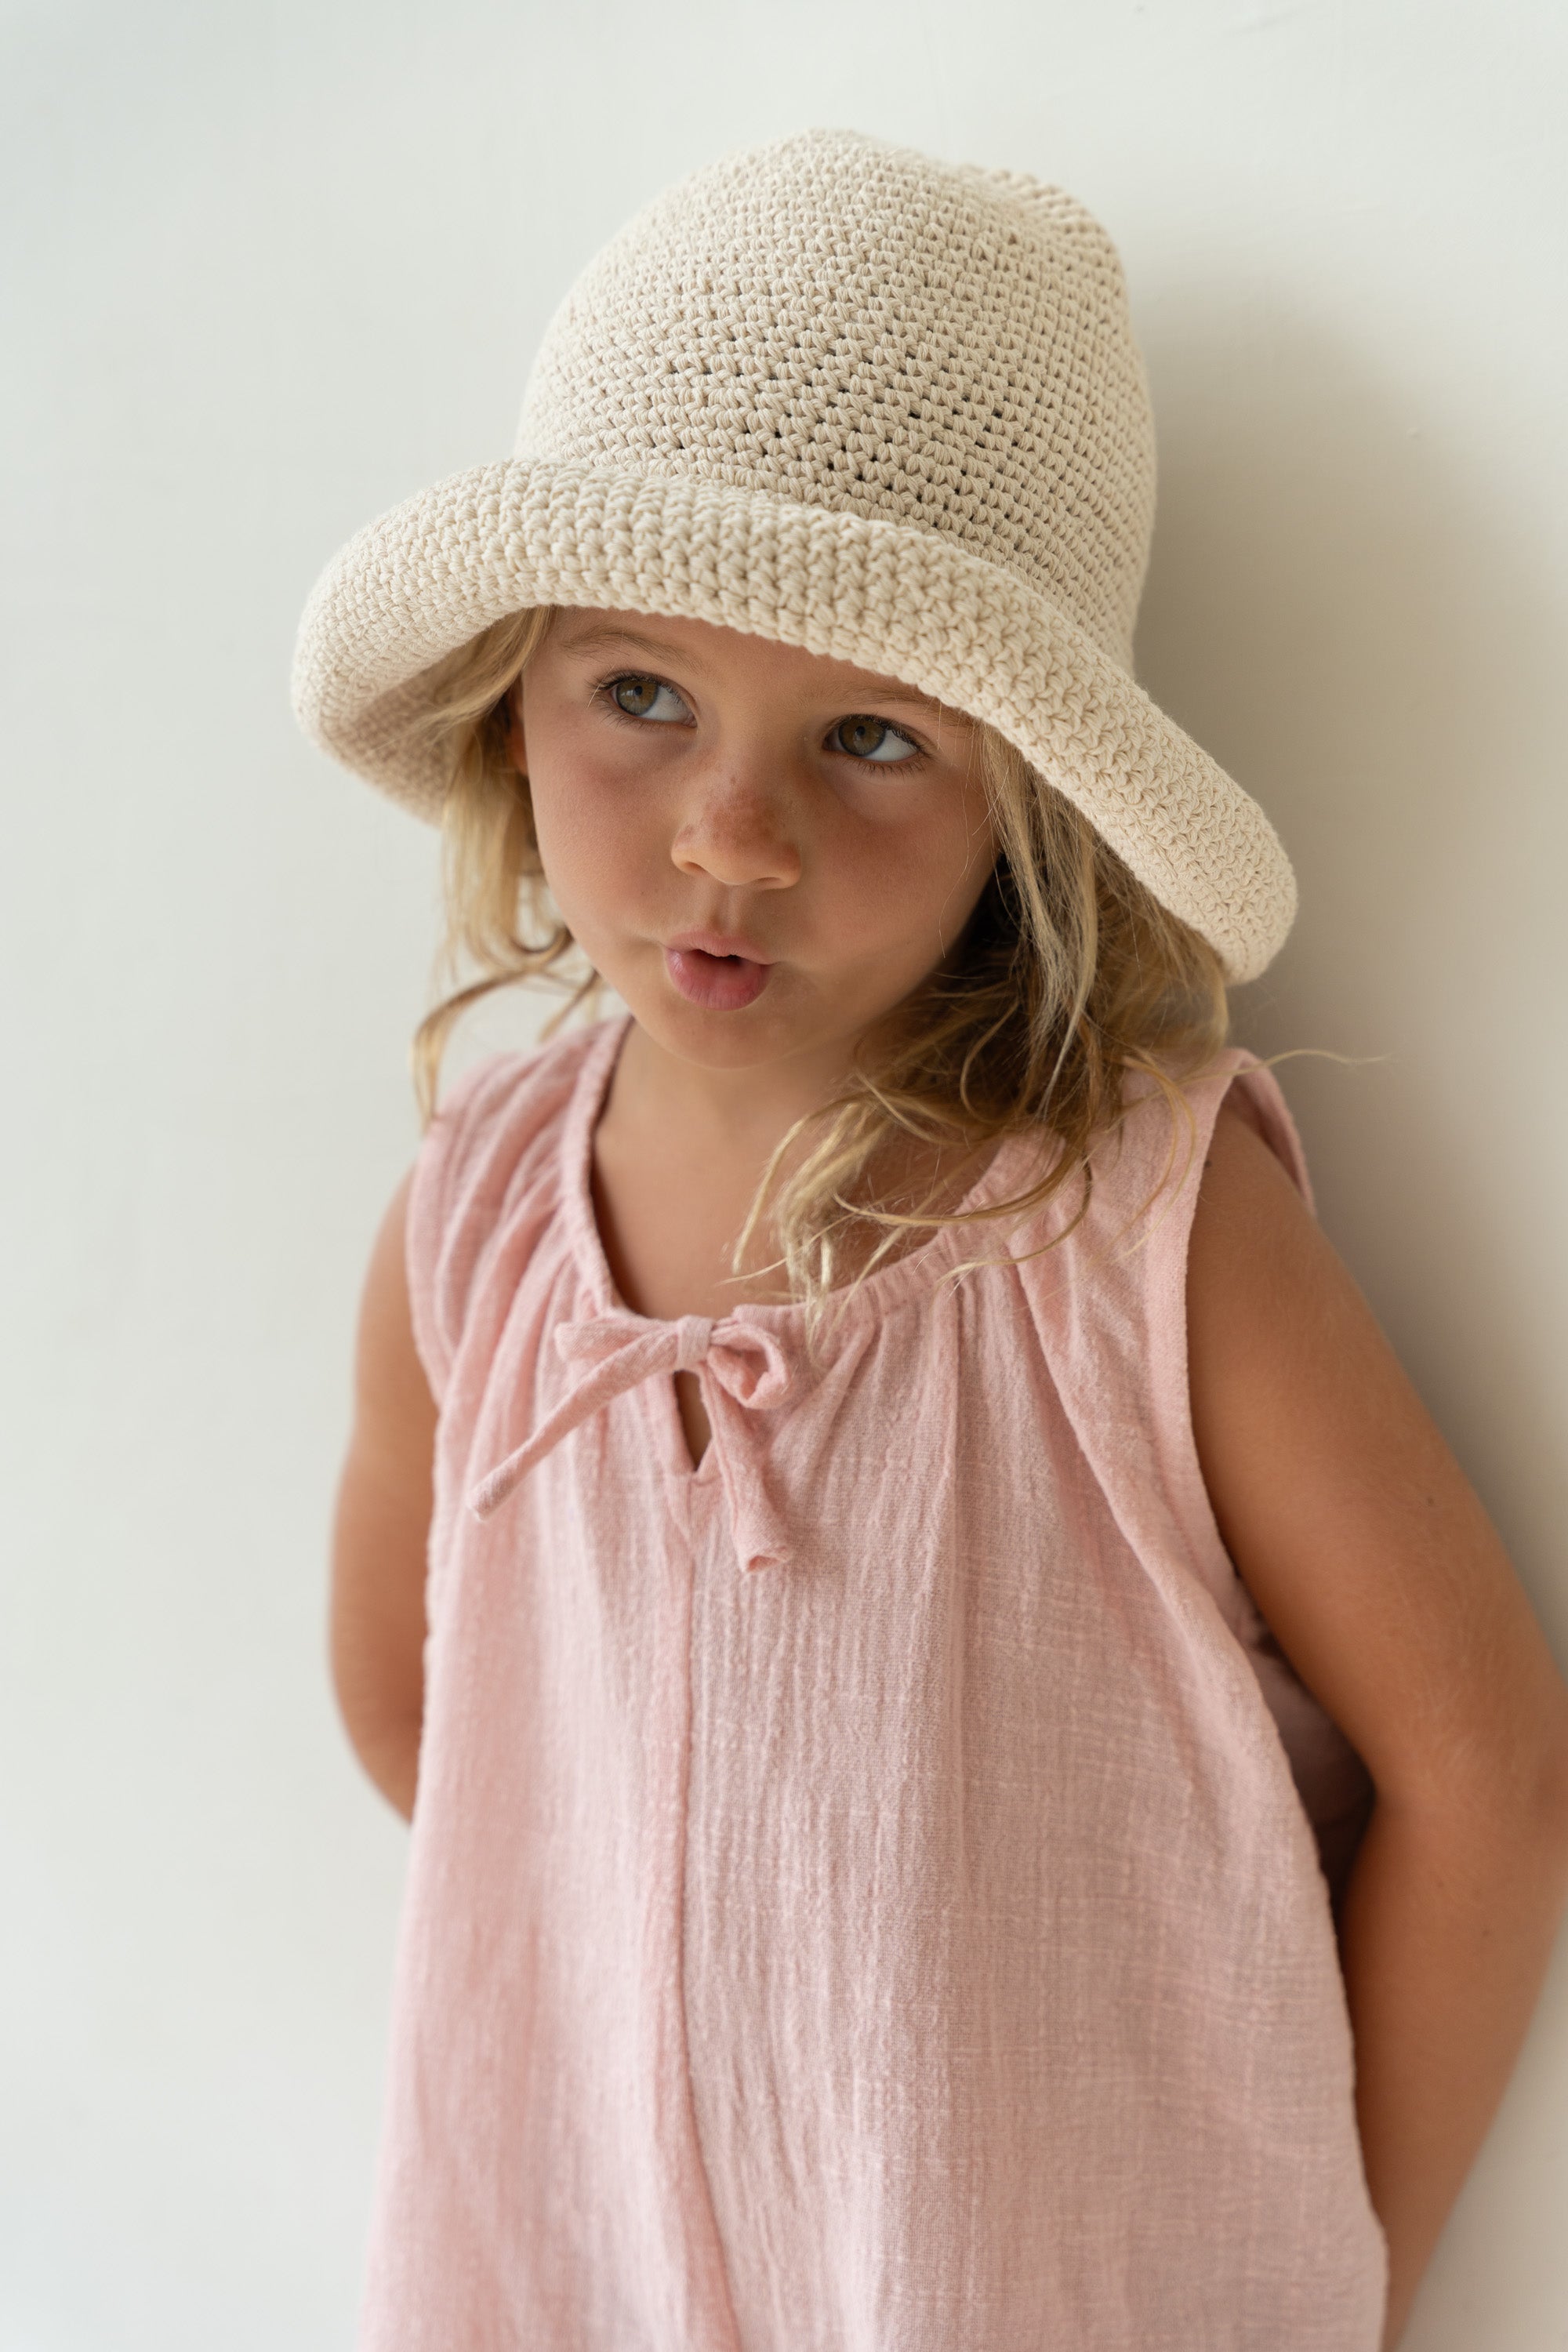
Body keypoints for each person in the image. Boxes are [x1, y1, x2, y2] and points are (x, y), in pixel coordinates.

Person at [292, 129, 1568, 2352]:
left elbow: (1484, 1762)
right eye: (643, 693)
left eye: (872, 736)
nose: (732, 834)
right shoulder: (477, 1221)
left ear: (1024, 818)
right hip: (575, 2257)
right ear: (516, 699)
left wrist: (1342, 2274)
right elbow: (429, 1704)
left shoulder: (1137, 1233)